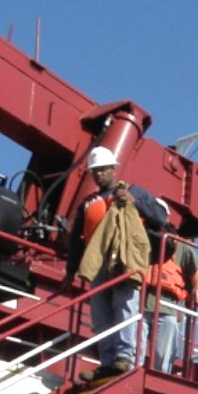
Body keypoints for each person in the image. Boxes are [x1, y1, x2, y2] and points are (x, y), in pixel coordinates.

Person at [72, 145, 168, 381]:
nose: (99, 175)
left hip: (125, 260)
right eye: (95, 171)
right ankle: (107, 362)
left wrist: (135, 201)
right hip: (98, 265)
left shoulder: (133, 192)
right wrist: (70, 271)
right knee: (101, 315)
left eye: (103, 170)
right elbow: (76, 240)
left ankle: (125, 358)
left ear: (114, 169)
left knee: (125, 308)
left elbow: (160, 218)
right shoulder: (87, 203)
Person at [145, 214, 198, 374]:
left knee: (163, 356)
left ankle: (160, 377)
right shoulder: (145, 239)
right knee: (134, 349)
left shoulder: (183, 248)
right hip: (141, 305)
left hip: (168, 308)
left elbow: (196, 273)